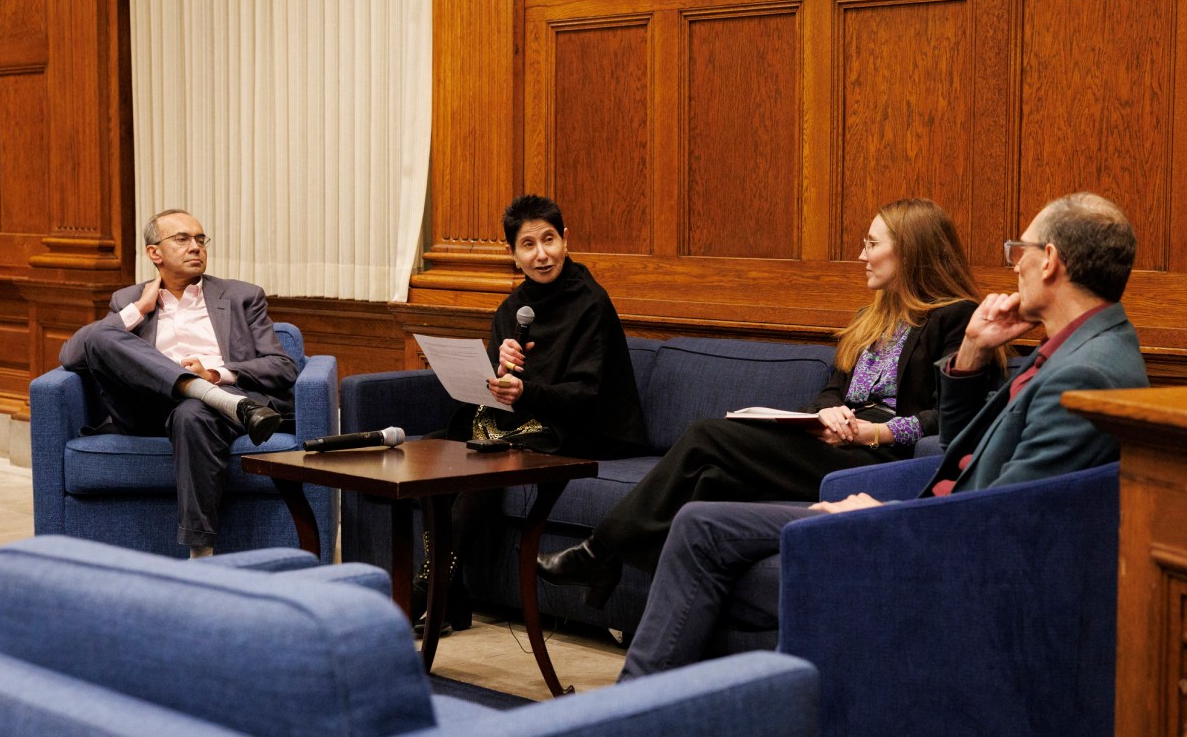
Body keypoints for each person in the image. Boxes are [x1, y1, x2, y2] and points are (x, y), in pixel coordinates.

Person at [619, 191, 1150, 679]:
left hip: (943, 550)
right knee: (699, 519)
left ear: (1051, 260)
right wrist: (970, 354)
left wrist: (879, 514)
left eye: (1021, 249)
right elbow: (958, 450)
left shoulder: (1087, 372)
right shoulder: (1073, 348)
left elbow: (1003, 518)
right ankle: (657, 708)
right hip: (932, 513)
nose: (1015, 263)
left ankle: (629, 713)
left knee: (703, 527)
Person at [538, 197, 987, 607]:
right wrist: (827, 411)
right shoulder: (869, 317)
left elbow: (951, 414)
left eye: (872, 244)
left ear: (909, 251)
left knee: (705, 436)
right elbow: (834, 388)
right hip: (836, 440)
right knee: (711, 479)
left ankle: (601, 551)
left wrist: (876, 431)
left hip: (881, 456)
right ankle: (668, 603)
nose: (862, 255)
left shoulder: (956, 316)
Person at [415, 193, 649, 633]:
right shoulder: (513, 308)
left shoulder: (591, 303)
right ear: (513, 254)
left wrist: (524, 390)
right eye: (528, 244)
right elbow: (496, 388)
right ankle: (447, 592)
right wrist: (499, 370)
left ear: (566, 239)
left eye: (549, 240)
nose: (542, 254)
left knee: (490, 455)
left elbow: (586, 393)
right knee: (437, 455)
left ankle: (430, 589)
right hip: (529, 417)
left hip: (587, 426)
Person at [59, 209, 295, 559]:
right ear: (155, 253)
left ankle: (200, 554)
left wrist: (214, 375)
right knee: (101, 336)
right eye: (182, 239)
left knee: (193, 413)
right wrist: (138, 310)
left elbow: (282, 366)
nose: (196, 247)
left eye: (200, 240)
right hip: (145, 410)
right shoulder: (127, 300)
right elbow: (72, 355)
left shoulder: (242, 296)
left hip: (211, 408)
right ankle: (197, 390)